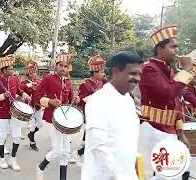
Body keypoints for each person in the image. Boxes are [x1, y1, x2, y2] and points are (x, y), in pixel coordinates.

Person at [139, 25, 196, 179]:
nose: (176, 51)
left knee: (170, 175)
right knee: (167, 175)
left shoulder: (168, 70)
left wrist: (180, 132)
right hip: (154, 128)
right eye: (173, 47)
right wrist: (186, 70)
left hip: (167, 130)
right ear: (160, 48)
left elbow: (175, 103)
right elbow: (168, 93)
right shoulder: (149, 69)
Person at [81, 51, 143, 180]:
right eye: (132, 73)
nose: (137, 78)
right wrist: (119, 176)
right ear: (116, 72)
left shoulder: (128, 99)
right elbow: (98, 146)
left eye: (139, 74)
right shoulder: (99, 100)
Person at [35, 53, 80, 180]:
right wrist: (50, 101)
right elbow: (37, 97)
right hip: (53, 119)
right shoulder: (48, 79)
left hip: (66, 120)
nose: (63, 68)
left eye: (66, 66)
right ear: (56, 66)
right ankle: (41, 166)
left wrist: (76, 99)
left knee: (66, 151)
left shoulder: (68, 82)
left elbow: (71, 99)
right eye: (61, 65)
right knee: (57, 151)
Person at [0, 54, 30, 171]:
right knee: (2, 137)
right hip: (2, 113)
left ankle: (13, 159)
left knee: (16, 137)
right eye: (10, 68)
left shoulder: (15, 79)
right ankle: (2, 159)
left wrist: (26, 96)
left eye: (12, 68)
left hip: (15, 112)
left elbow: (20, 91)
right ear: (3, 70)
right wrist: (3, 96)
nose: (12, 70)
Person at [72, 53, 107, 166]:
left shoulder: (103, 82)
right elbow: (81, 101)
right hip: (91, 113)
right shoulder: (85, 84)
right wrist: (88, 99)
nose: (103, 74)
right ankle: (79, 153)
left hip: (102, 112)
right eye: (101, 72)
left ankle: (85, 152)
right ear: (95, 72)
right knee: (96, 137)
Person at [20, 62, 43, 151]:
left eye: (35, 72)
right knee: (32, 125)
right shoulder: (24, 83)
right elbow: (20, 88)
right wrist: (29, 85)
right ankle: (32, 143)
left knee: (40, 124)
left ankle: (30, 134)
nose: (34, 74)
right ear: (28, 74)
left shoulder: (39, 81)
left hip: (37, 106)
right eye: (32, 73)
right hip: (28, 107)